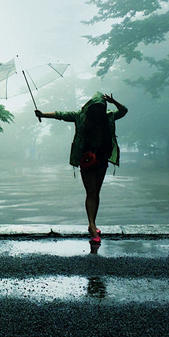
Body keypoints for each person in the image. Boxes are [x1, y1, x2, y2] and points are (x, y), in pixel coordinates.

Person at [35, 92, 127, 245]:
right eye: (96, 107)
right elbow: (61, 114)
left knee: (95, 193)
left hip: (101, 159)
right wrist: (43, 114)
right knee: (91, 192)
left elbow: (124, 111)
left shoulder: (107, 116)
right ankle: (92, 226)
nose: (98, 110)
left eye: (100, 107)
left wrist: (114, 101)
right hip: (87, 159)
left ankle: (92, 224)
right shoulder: (84, 116)